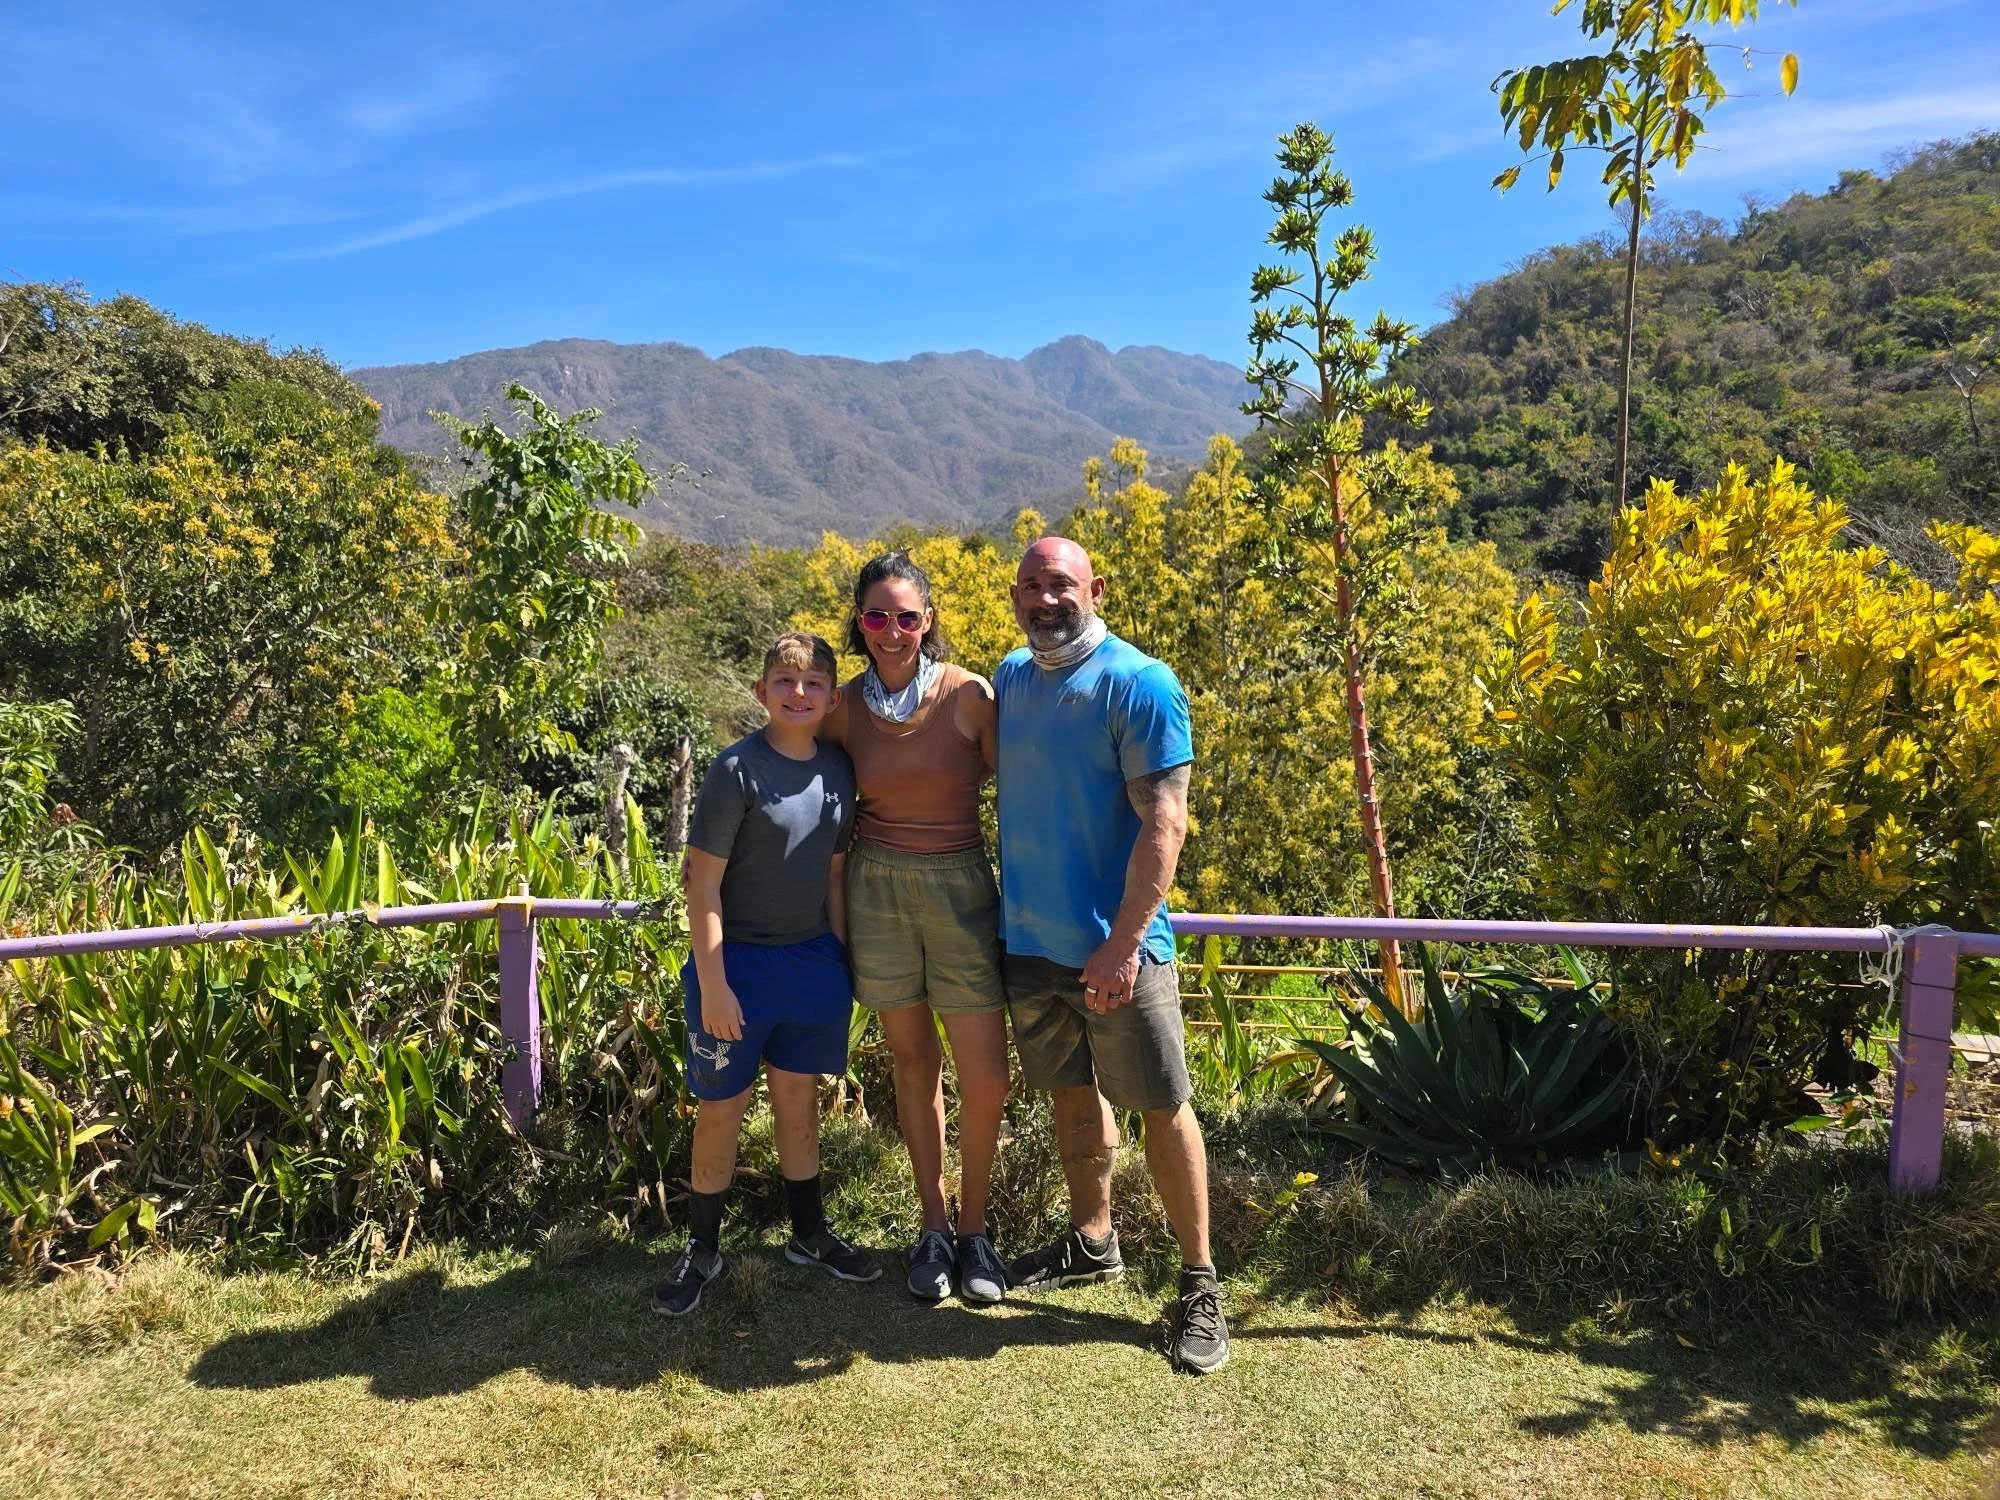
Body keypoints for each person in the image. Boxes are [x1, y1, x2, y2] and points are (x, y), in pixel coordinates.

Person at [993, 536, 1229, 1375]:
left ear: (1097, 590)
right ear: (1015, 598)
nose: (1044, 599)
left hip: (1118, 951)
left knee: (1162, 1104)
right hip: (1031, 946)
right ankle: (1093, 1242)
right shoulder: (1012, 679)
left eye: (1061, 584)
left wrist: (1123, 944)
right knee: (1070, 1093)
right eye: (1030, 585)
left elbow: (1166, 823)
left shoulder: (1141, 683)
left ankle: (1200, 1283)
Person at [651, 631, 881, 1317]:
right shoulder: (735, 770)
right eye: (784, 681)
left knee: (798, 1103)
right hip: (737, 967)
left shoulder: (839, 770)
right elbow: (702, 887)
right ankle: (702, 1248)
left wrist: (841, 961)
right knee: (721, 1109)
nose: (798, 693)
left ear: (832, 698)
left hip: (811, 964)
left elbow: (835, 874)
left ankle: (809, 1234)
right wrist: (715, 984)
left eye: (813, 684)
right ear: (761, 692)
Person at [822, 551, 1010, 1304]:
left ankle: (975, 1230)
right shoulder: (841, 708)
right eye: (877, 616)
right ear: (860, 622)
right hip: (877, 889)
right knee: (912, 1063)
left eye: (906, 617)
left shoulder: (969, 696)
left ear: (927, 620)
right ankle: (932, 1227)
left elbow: (1014, 788)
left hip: (960, 885)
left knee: (985, 1072)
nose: (892, 631)